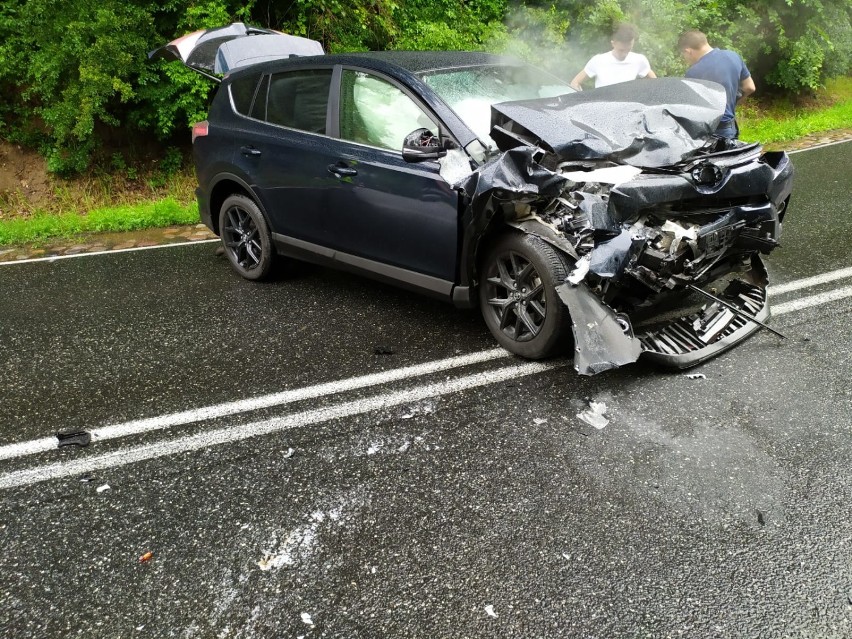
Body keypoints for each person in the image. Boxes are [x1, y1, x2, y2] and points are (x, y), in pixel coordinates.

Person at [678, 29, 756, 139]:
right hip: (731, 127)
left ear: (688, 51)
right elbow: (750, 87)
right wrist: (731, 104)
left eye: (683, 55)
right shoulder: (733, 56)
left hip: (712, 132)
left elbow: (691, 109)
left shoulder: (693, 72)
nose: (685, 59)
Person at [570, 24, 656, 90]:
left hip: (628, 111)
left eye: (628, 50)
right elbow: (575, 83)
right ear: (613, 43)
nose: (624, 54)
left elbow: (657, 84)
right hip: (603, 110)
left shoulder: (639, 60)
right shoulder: (598, 61)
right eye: (621, 50)